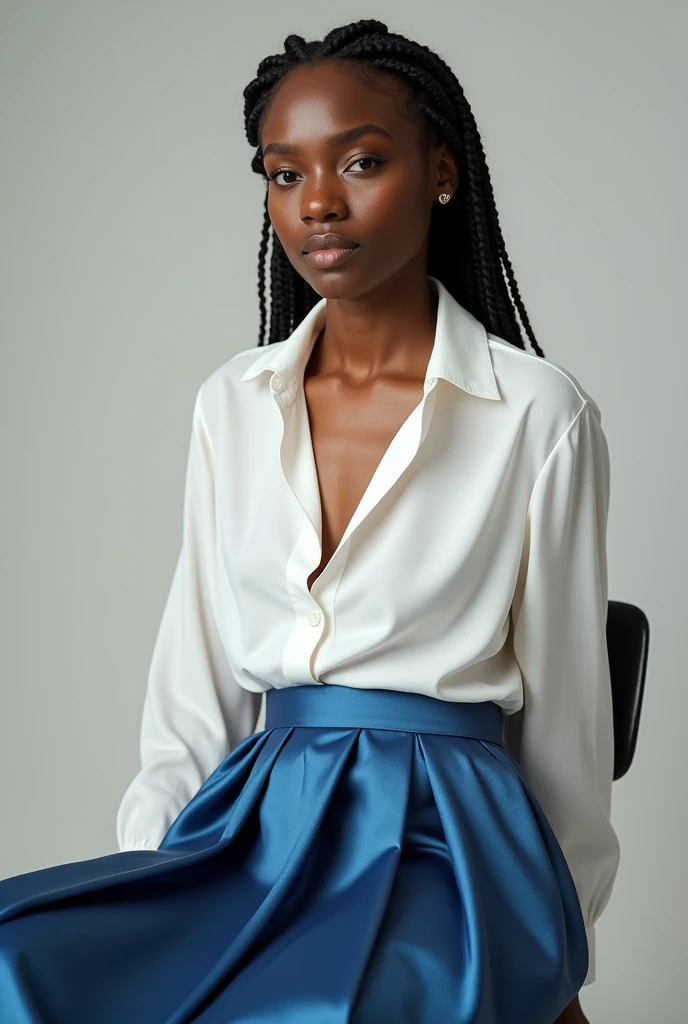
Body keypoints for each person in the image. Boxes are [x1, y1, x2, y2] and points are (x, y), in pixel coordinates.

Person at [0, 18, 620, 1024]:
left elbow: (565, 727)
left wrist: (556, 945)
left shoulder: (538, 414)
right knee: (15, 957)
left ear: (442, 172)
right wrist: (150, 884)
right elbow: (193, 689)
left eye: (362, 161)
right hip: (251, 831)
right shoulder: (231, 403)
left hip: (444, 846)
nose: (318, 203)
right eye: (283, 174)